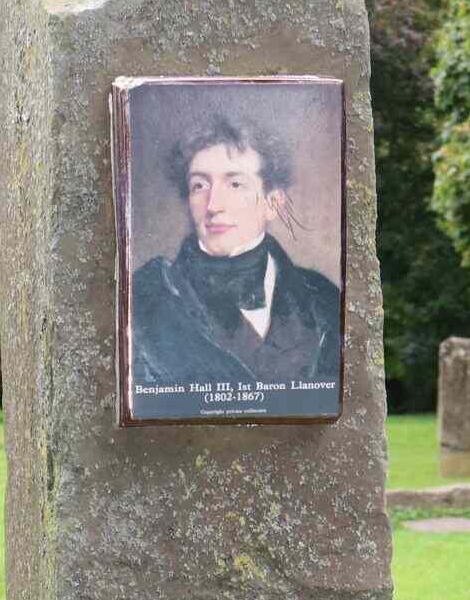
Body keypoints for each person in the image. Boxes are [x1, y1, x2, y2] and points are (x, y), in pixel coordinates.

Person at [129, 110, 340, 393]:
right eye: (199, 185)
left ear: (272, 203)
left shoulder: (322, 298)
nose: (214, 205)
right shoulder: (144, 298)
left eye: (235, 183)